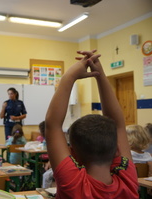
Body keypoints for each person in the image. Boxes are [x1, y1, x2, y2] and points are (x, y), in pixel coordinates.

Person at [45, 50, 138, 198]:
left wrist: (69, 76)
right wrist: (97, 74)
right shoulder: (127, 180)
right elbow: (119, 125)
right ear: (117, 151)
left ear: (73, 154)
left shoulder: (73, 184)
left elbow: (52, 126)